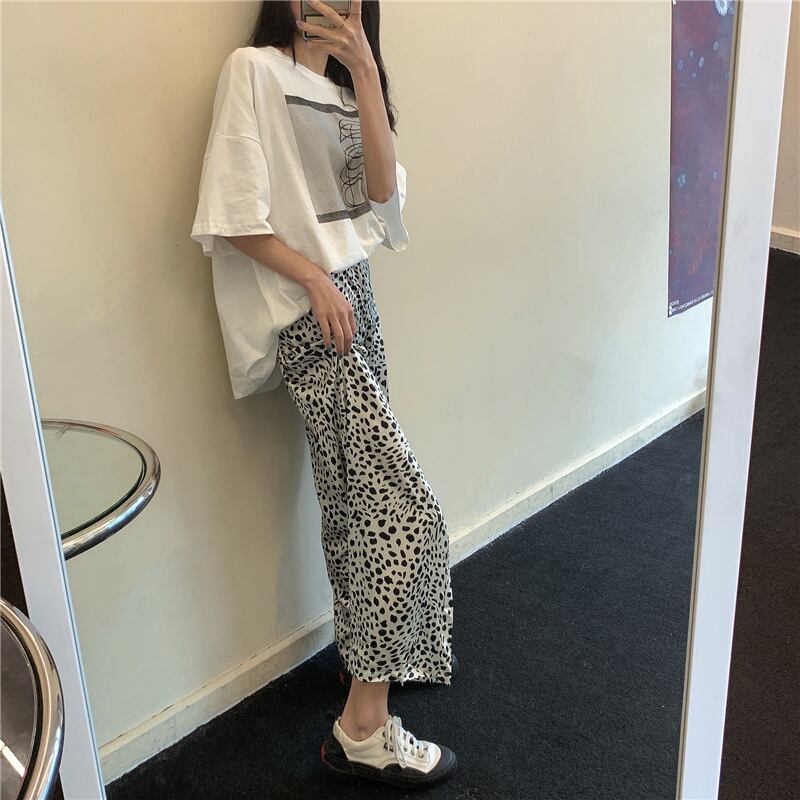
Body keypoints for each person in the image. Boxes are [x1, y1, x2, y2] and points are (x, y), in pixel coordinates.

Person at [190, 0, 456, 787]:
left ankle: (363, 660)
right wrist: (312, 279)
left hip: (357, 299)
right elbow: (232, 214)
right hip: (316, 312)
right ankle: (363, 729)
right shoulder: (253, 71)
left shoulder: (344, 91)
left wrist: (367, 74)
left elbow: (383, 198)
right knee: (403, 510)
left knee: (353, 500)